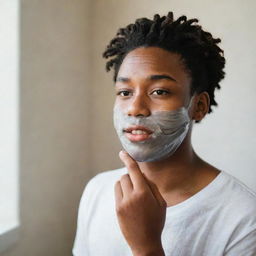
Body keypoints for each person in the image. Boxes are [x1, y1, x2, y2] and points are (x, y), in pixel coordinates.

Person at [73, 12, 256, 256]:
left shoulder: (243, 217)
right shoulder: (97, 190)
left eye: (159, 92)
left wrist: (146, 247)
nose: (135, 108)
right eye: (125, 92)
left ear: (198, 106)